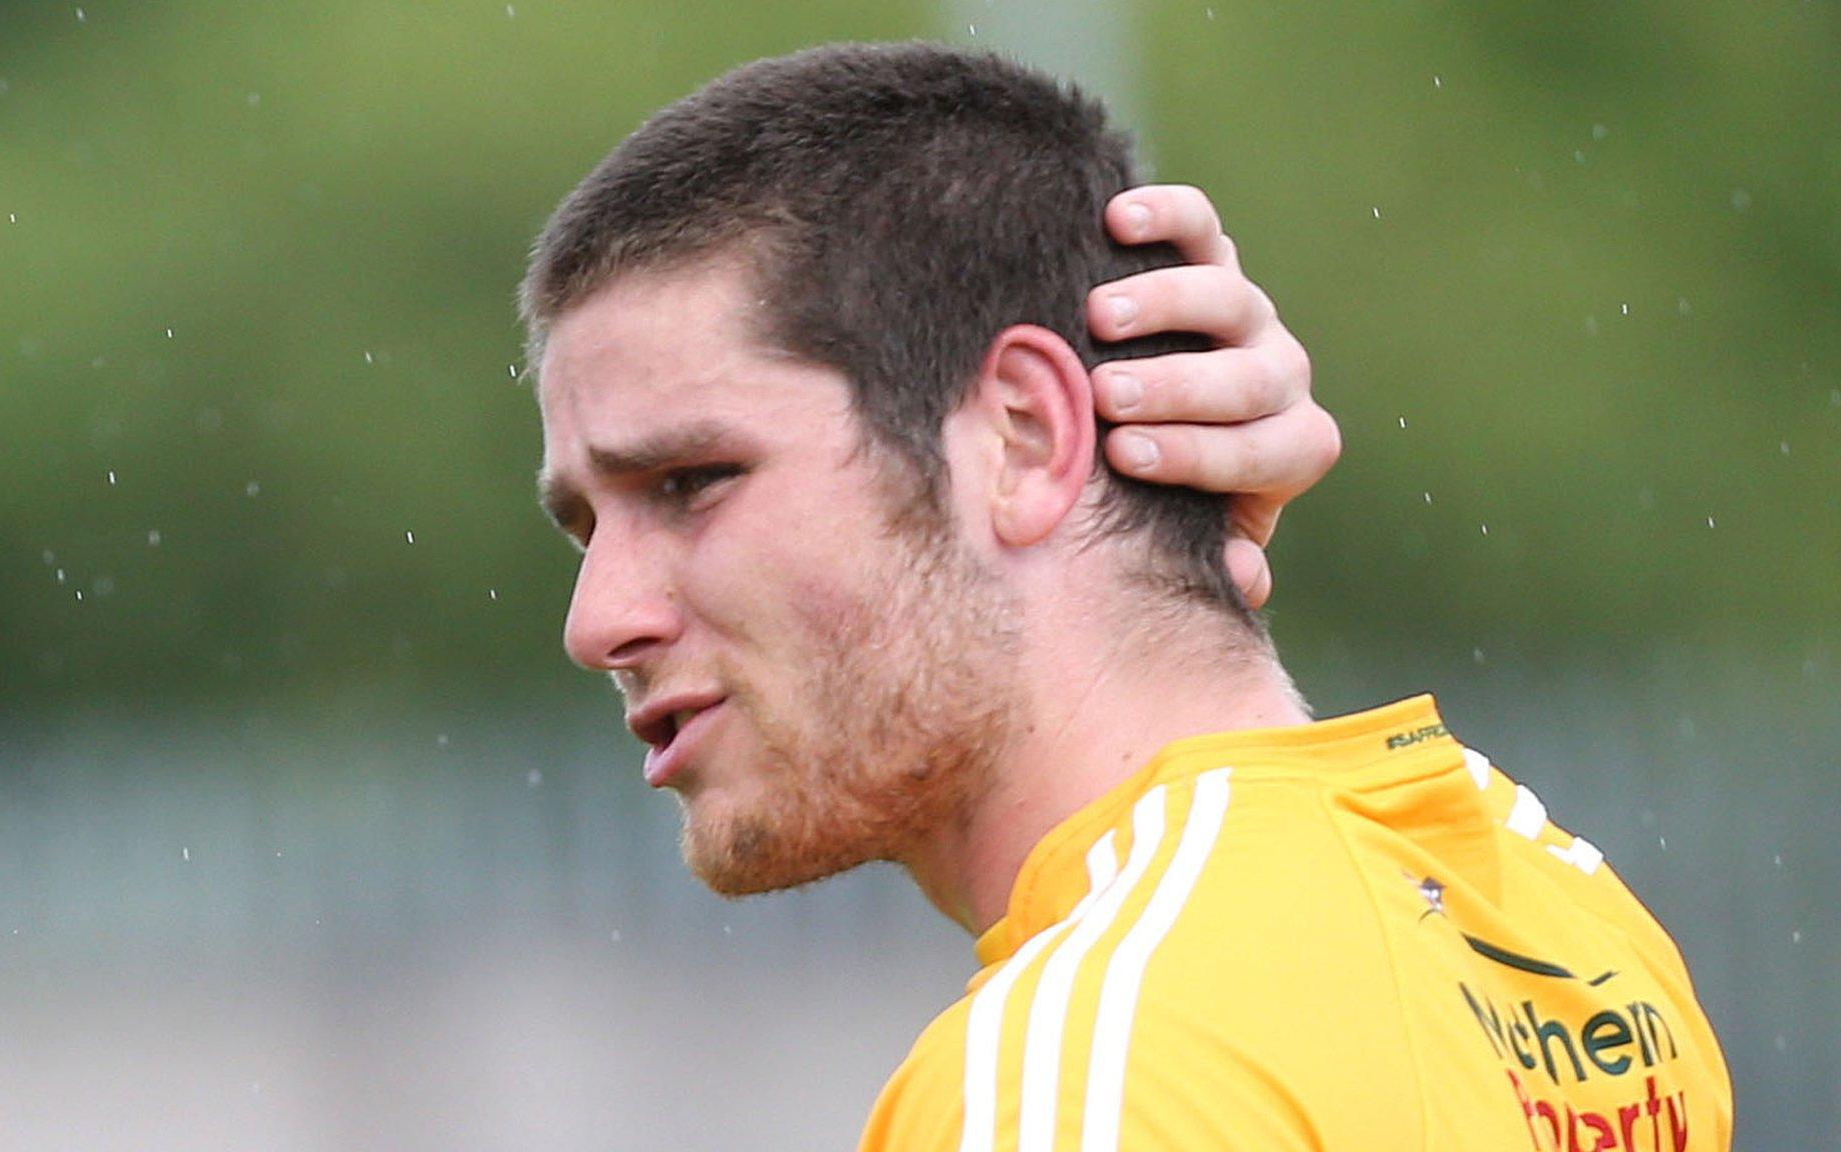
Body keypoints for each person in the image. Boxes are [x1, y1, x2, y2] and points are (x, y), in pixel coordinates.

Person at [522, 43, 1731, 1151]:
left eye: (690, 481)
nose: (597, 621)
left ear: (1024, 434)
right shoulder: (1561, 926)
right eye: (583, 526)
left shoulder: (1074, 1076)